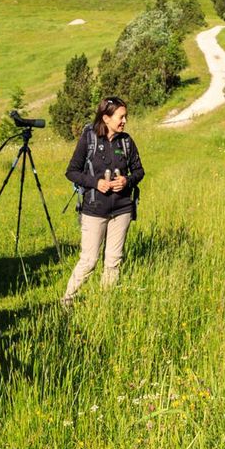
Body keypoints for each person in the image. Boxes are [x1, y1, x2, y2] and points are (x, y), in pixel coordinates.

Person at [62, 96, 144, 305]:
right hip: (94, 209)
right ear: (106, 118)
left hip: (122, 209)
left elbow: (139, 171)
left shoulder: (126, 141)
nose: (124, 121)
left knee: (113, 261)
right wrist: (95, 183)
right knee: (89, 260)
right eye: (121, 117)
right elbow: (71, 172)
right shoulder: (89, 139)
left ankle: (106, 303)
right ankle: (67, 300)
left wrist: (127, 180)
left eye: (125, 116)